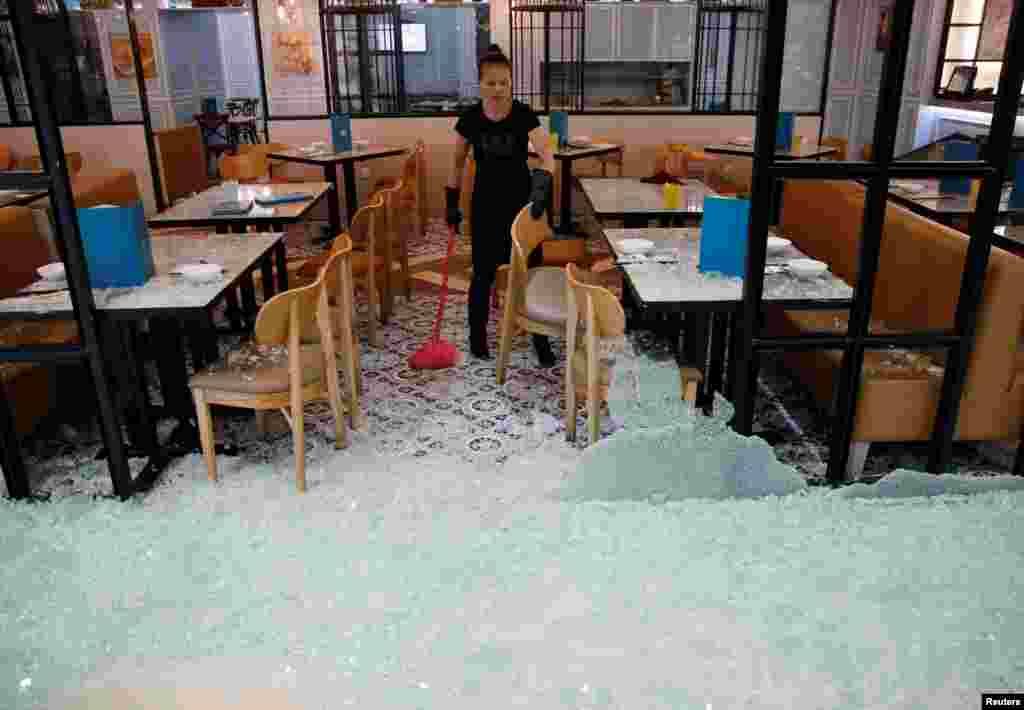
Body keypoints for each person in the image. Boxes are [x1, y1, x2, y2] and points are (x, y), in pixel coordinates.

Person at [446, 43, 556, 366]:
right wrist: (451, 203)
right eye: (491, 82)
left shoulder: (524, 115)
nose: (497, 89)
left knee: (530, 272)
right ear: (480, 84)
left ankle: (541, 337)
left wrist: (542, 185)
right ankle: (477, 336)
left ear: (511, 83)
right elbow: (455, 163)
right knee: (482, 274)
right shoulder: (470, 119)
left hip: (524, 207)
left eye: (504, 82)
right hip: (485, 207)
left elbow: (547, 155)